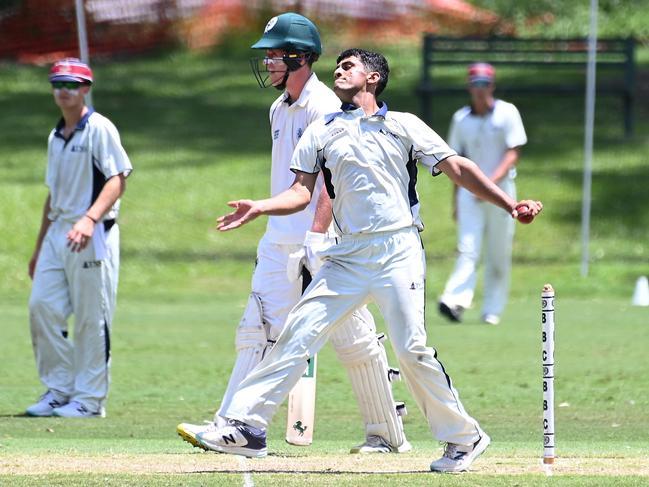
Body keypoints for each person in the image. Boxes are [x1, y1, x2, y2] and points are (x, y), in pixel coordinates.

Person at [200, 48, 542, 472]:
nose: (338, 71)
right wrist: (261, 206)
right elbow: (301, 192)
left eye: (348, 66)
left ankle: (464, 438)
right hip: (348, 255)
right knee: (297, 333)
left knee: (411, 349)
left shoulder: (404, 125)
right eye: (337, 66)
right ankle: (248, 427)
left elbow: (458, 168)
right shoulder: (322, 130)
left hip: (398, 250)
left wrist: (509, 204)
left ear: (374, 78)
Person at [177, 13, 409, 454]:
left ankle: (387, 433)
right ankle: (235, 426)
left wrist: (317, 238)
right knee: (257, 328)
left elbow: (329, 179)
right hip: (279, 239)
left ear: (300, 56)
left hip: (322, 244)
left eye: (274, 55)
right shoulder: (279, 106)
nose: (267, 63)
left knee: (354, 341)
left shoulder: (325, 106)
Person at [26, 58, 132, 418]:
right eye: (58, 84)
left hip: (92, 233)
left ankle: (89, 400)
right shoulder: (55, 136)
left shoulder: (99, 128)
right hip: (58, 233)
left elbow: (118, 178)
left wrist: (89, 218)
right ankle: (59, 390)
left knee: (91, 317)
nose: (64, 91)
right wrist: (39, 247)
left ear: (86, 88)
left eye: (71, 84)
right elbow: (52, 195)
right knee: (42, 306)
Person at [438, 63, 527, 325]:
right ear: (469, 87)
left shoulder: (507, 112)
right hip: (469, 194)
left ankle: (492, 309)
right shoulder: (461, 119)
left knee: (498, 253)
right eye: (475, 84)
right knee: (468, 249)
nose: (480, 90)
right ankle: (454, 301)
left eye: (484, 84)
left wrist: (489, 183)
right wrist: (456, 198)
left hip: (502, 194)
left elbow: (513, 152)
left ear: (492, 86)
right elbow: (454, 160)